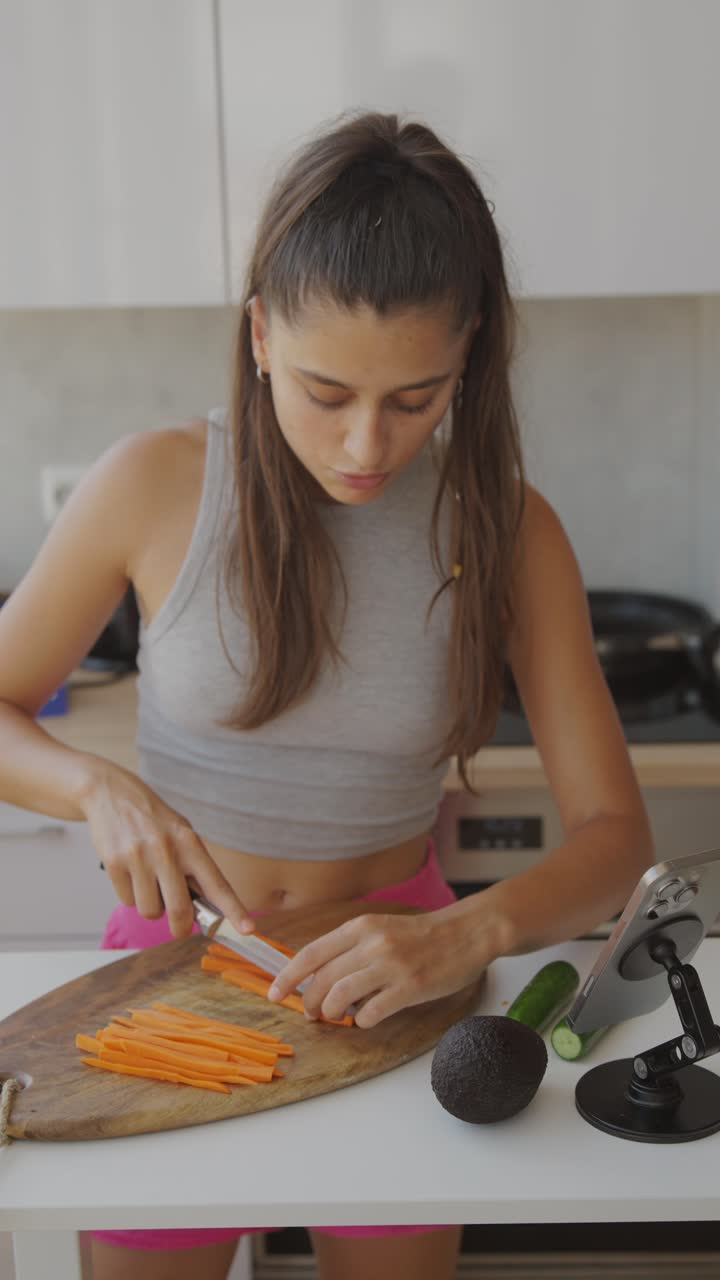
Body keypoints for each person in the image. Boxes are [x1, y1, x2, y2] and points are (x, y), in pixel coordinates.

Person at [0, 110, 653, 1280]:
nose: (366, 444)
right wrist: (93, 784)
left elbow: (617, 837)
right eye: (324, 389)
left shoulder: (509, 527)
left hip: (400, 986)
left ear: (468, 359)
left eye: (417, 398)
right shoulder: (151, 483)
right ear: (258, 334)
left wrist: (466, 929)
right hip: (170, 980)